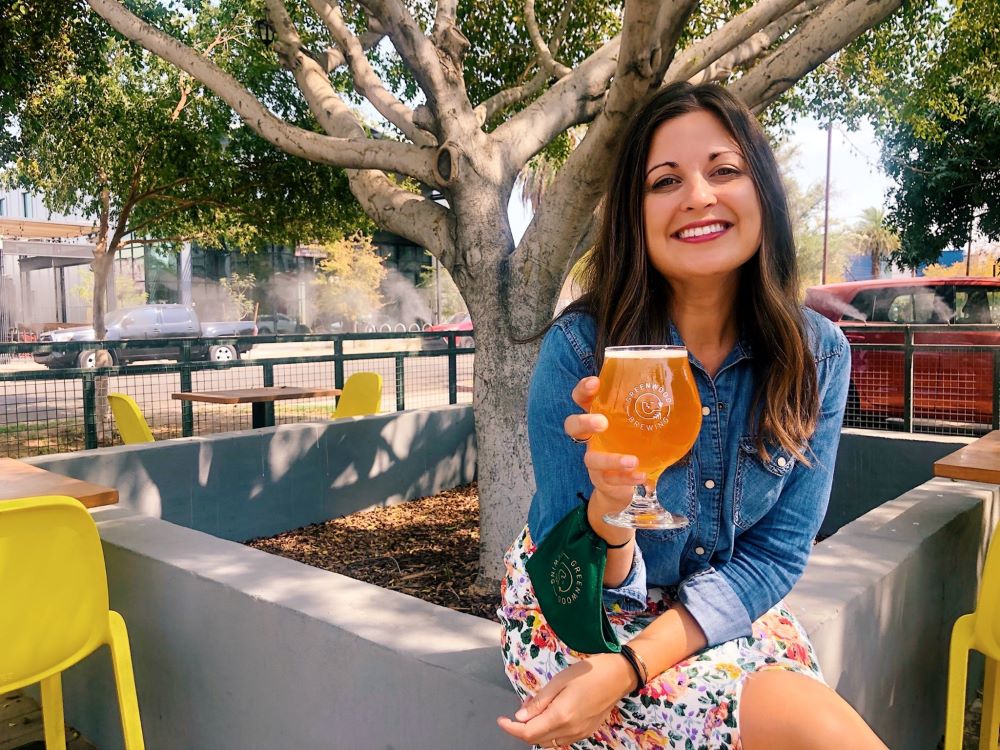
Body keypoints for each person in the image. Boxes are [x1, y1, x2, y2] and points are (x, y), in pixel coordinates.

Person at [496, 82, 888, 750]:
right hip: (578, 608)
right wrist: (612, 510)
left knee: (808, 720)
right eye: (665, 181)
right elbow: (581, 574)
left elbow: (776, 555)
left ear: (761, 192)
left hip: (715, 604)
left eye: (724, 170)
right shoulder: (578, 355)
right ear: (636, 214)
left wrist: (632, 668)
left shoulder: (816, 355)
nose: (698, 196)